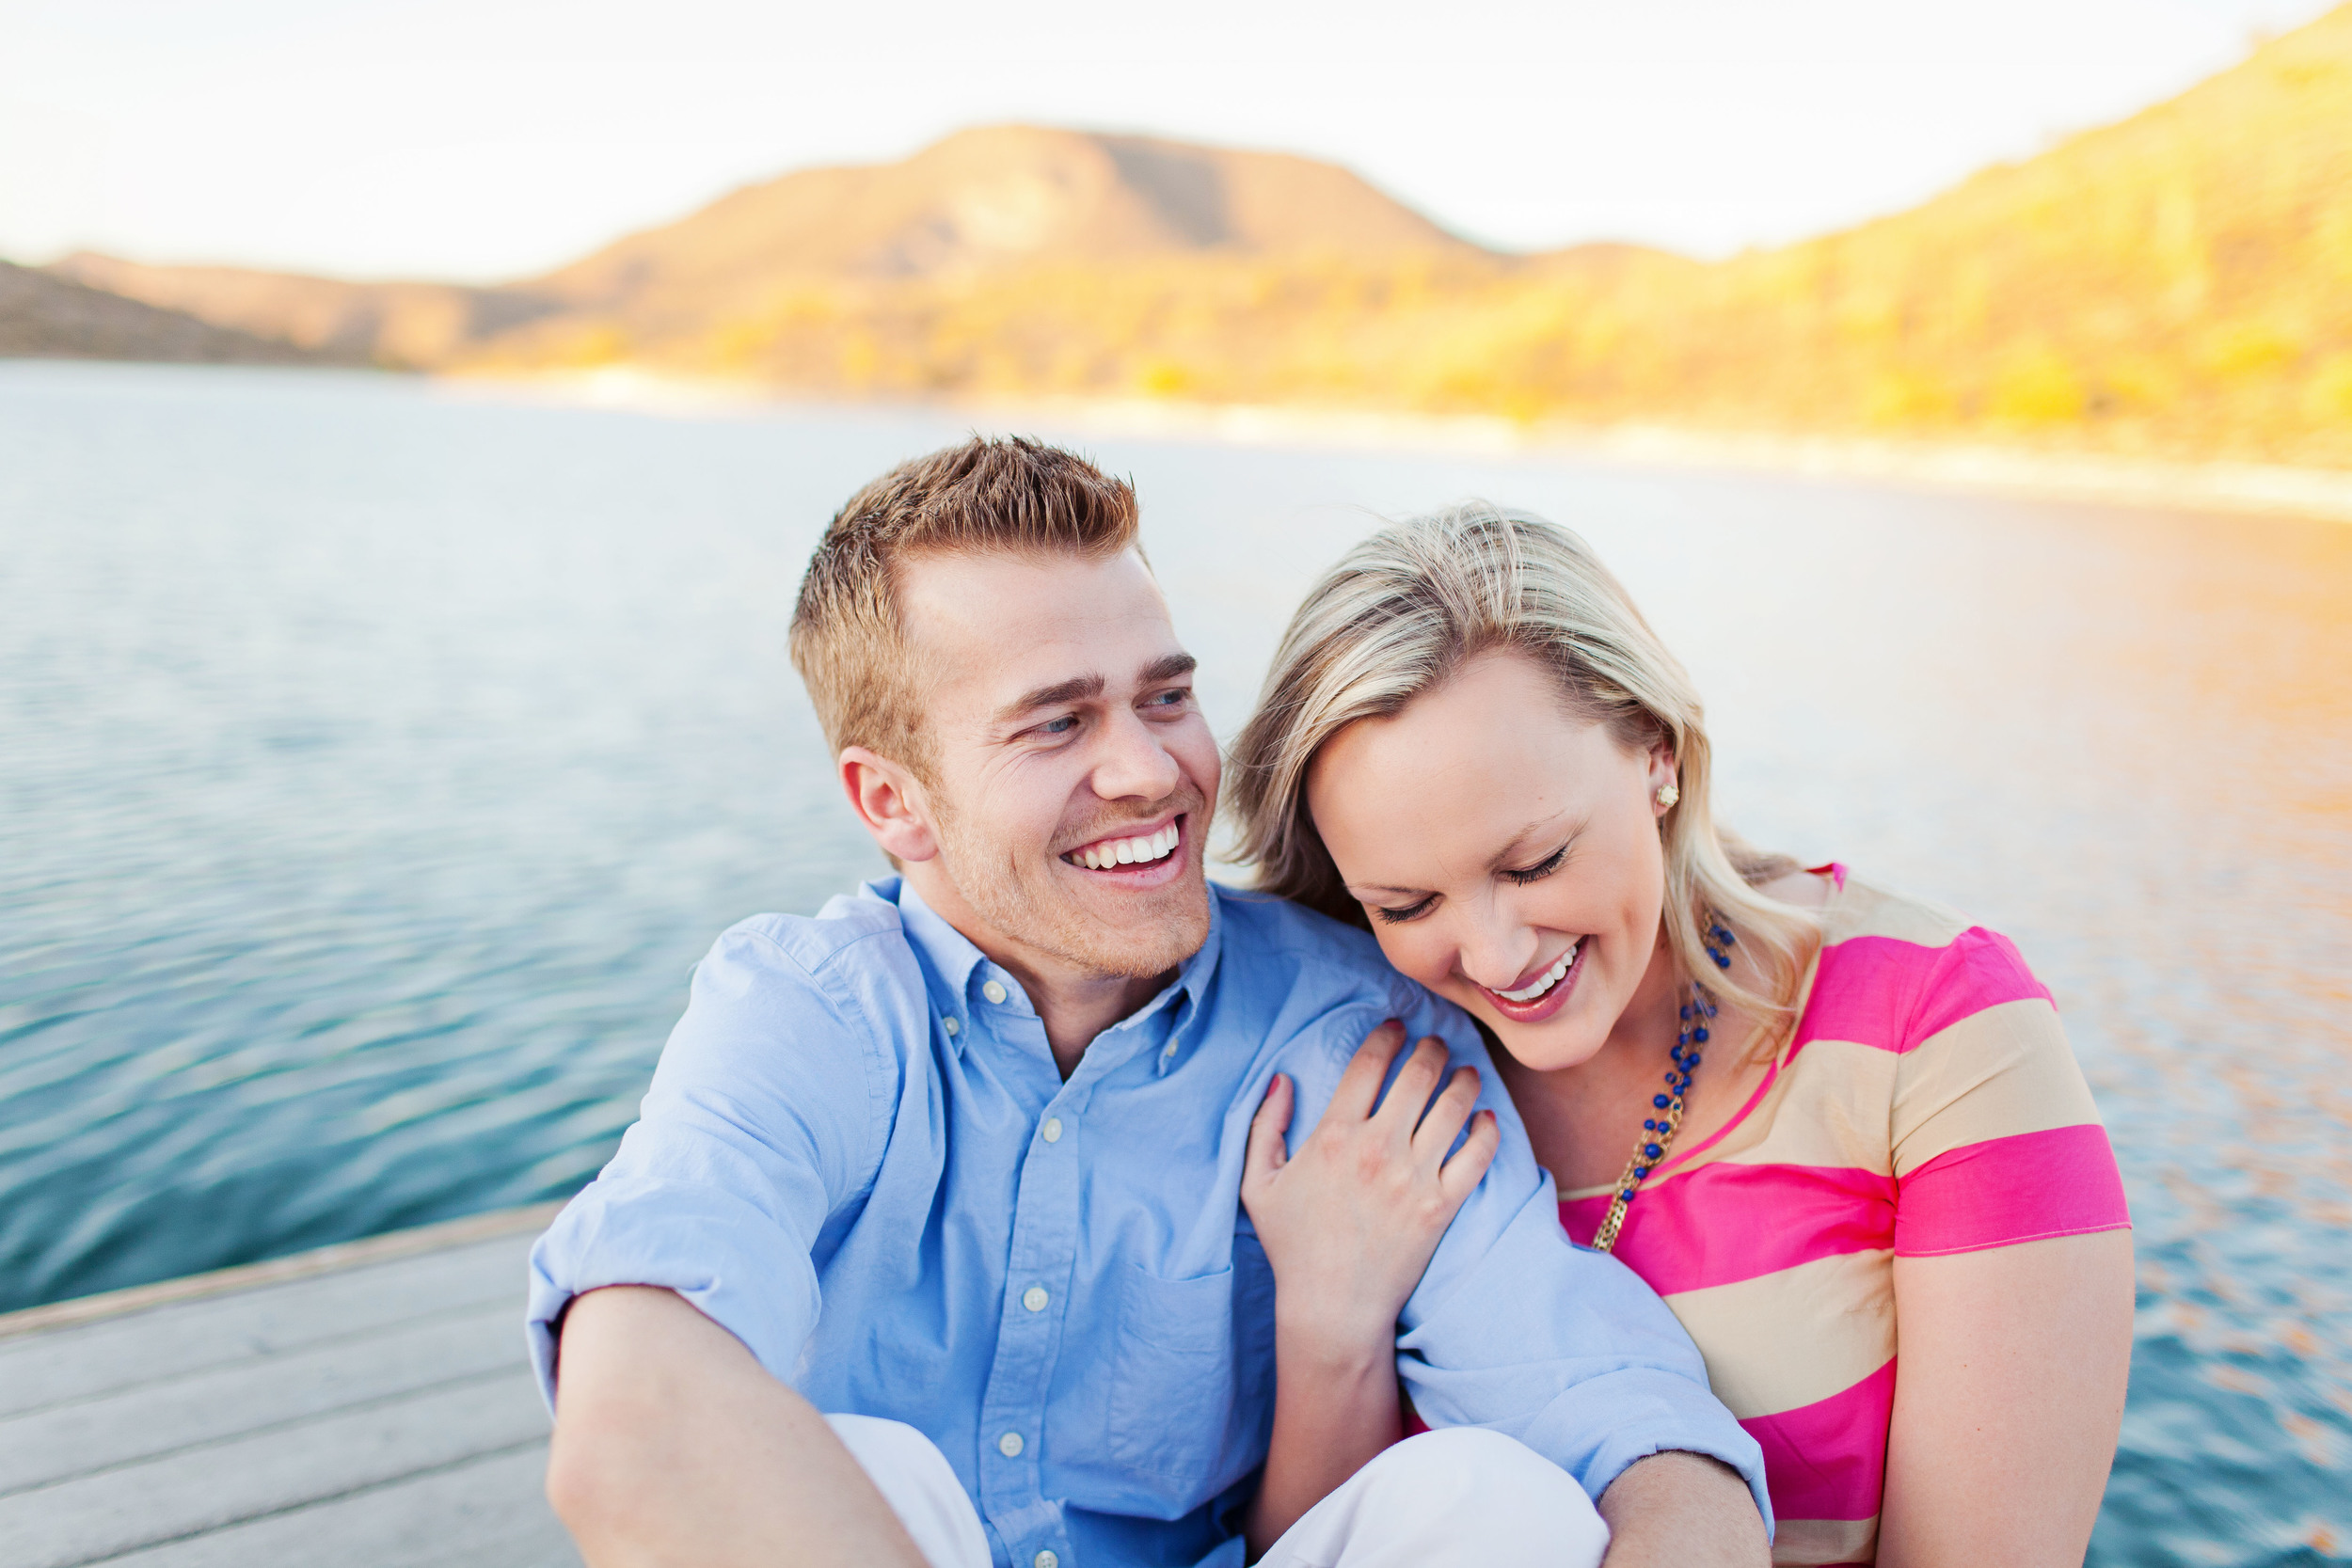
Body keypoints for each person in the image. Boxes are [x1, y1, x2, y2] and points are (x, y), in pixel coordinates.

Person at [527, 441, 1774, 1568]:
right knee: (860, 1457)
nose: (1151, 770)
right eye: (1058, 722)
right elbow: (633, 1410)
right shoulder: (810, 1015)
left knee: (1497, 1499)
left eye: (1165, 697)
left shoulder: (1353, 1029)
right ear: (892, 800)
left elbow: (1639, 1429)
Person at [1224, 503, 2137, 1568]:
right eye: (1406, 903)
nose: (1493, 953)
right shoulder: (1349, 1073)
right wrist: (1331, 1319)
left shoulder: (1941, 1033)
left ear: (1654, 748)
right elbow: (1320, 1545)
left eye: (1533, 863)